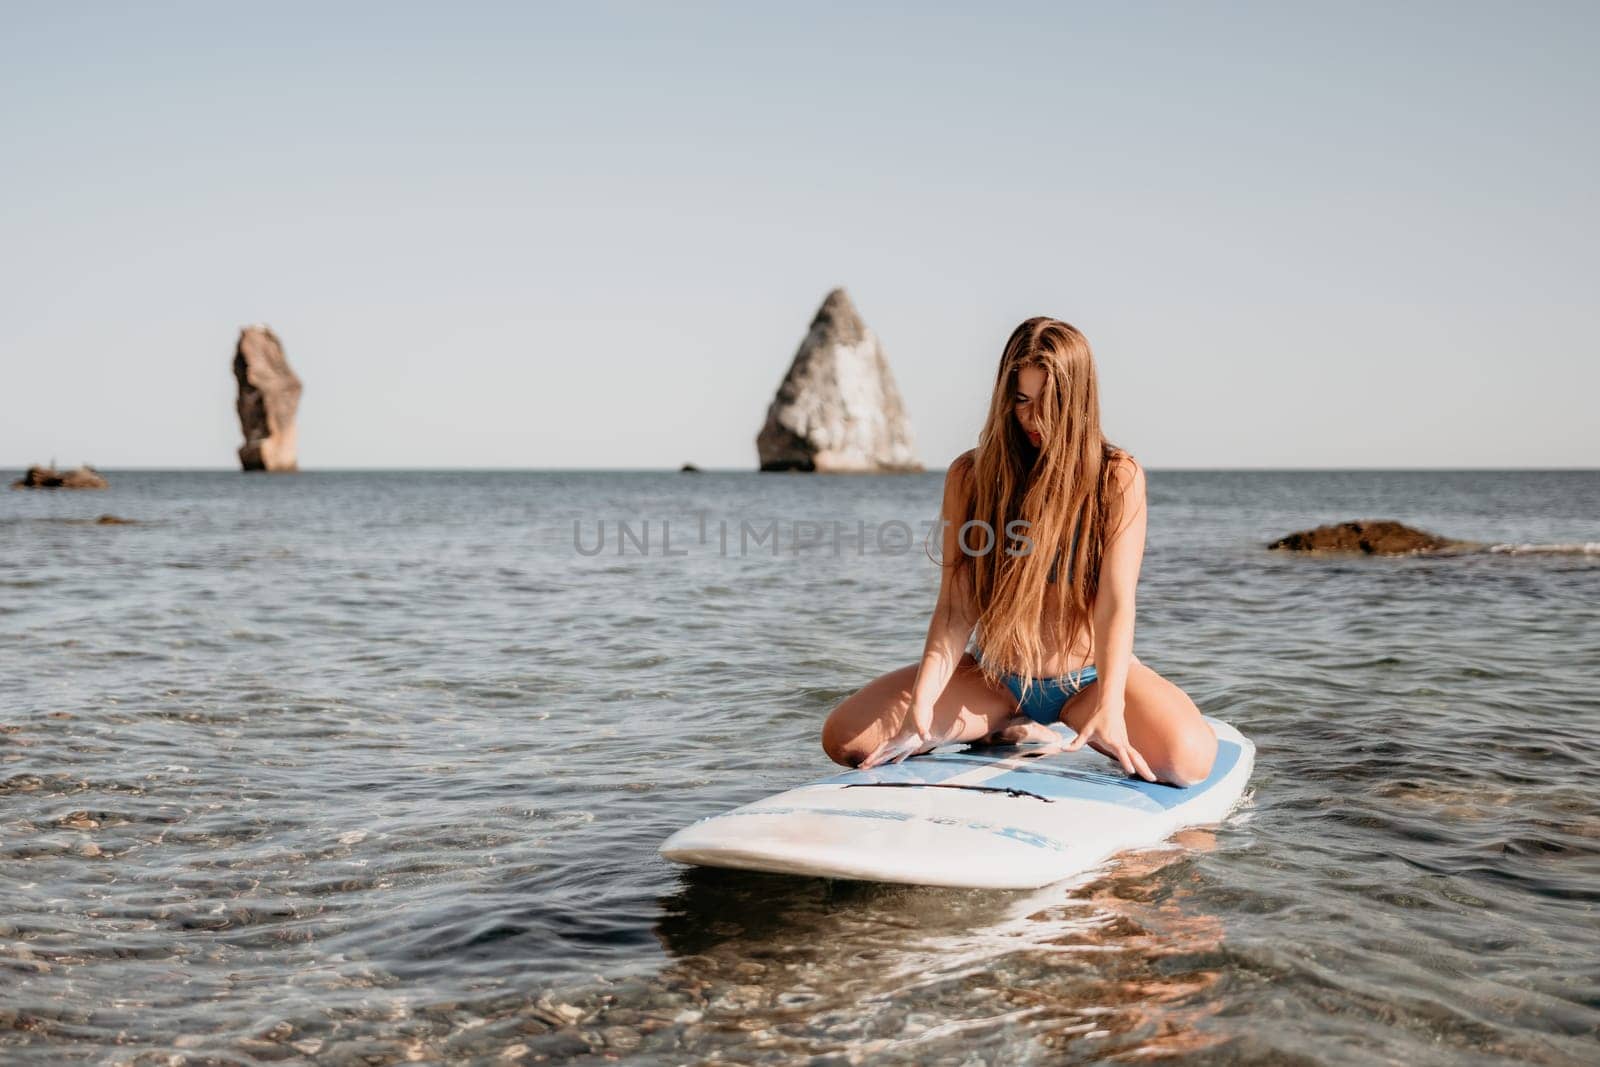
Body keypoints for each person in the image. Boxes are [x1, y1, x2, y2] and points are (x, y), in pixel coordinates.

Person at [820, 317, 1218, 786]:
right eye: (1021, 400)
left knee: (1187, 763)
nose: (1033, 418)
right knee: (846, 738)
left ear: (1078, 401)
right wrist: (923, 703)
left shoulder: (1116, 477)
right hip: (996, 680)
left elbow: (1115, 603)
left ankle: (1068, 721)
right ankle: (1009, 723)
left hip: (1085, 682)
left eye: (1049, 403)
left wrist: (1111, 705)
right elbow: (955, 607)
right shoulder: (970, 477)